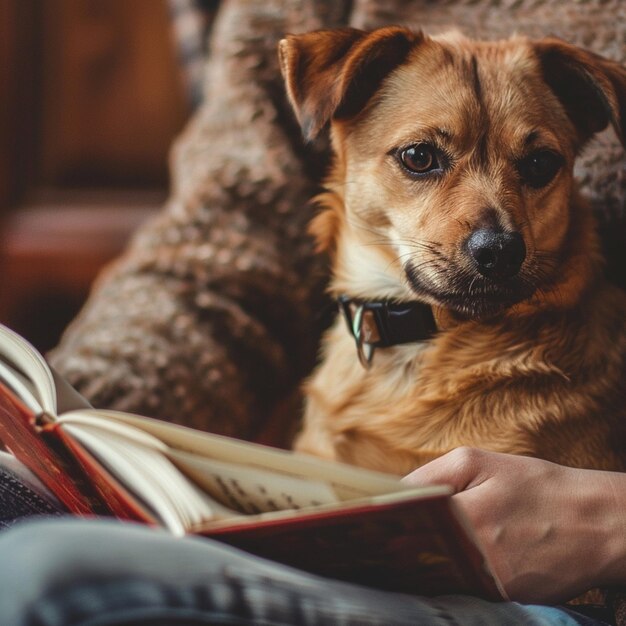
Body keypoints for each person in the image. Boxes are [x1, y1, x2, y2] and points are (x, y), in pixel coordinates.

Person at [1, 0, 624, 624]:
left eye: (536, 166)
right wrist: (59, 429)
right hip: (351, 428)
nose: (496, 230)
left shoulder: (573, 395)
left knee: (50, 577)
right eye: (422, 160)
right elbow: (223, 262)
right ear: (337, 132)